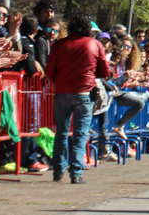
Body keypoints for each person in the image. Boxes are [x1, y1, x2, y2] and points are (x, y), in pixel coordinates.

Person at [45, 13, 110, 184]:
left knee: (61, 132)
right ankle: (76, 172)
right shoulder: (94, 44)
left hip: (61, 92)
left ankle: (58, 170)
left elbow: (49, 71)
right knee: (81, 134)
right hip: (84, 92)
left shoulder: (59, 45)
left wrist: (58, 83)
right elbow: (105, 72)